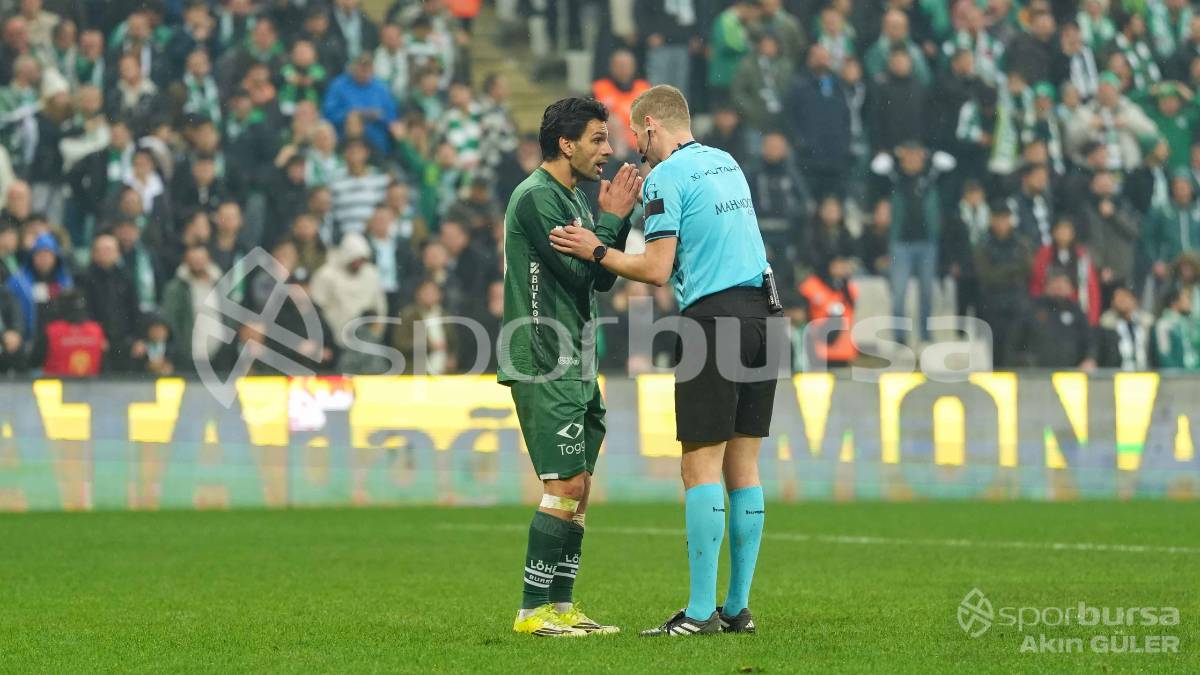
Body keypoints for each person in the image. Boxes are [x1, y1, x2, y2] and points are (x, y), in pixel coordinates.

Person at [550, 85, 778, 637]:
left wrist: (596, 250)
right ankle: (737, 609)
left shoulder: (666, 179)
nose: (634, 147)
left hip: (714, 322)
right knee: (743, 469)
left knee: (698, 467)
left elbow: (656, 270)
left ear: (652, 126)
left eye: (635, 135)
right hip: (767, 316)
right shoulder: (727, 164)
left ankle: (699, 615)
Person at [499, 97, 637, 638]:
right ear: (566, 143)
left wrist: (611, 226)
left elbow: (600, 276)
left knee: (578, 487)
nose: (608, 150)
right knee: (565, 483)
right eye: (599, 139)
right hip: (541, 356)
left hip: (578, 360)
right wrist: (611, 220)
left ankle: (562, 607)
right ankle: (532, 611)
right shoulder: (536, 199)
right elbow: (579, 277)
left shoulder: (574, 201)